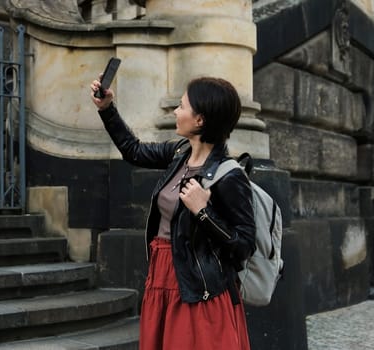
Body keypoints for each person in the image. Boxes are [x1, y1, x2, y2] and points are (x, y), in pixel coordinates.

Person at [90, 75, 256, 350]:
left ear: (200, 120)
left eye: (181, 106)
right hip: (162, 274)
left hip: (199, 288)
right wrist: (107, 108)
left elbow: (244, 245)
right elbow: (134, 151)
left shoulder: (229, 176)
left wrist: (203, 212)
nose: (176, 112)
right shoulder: (180, 152)